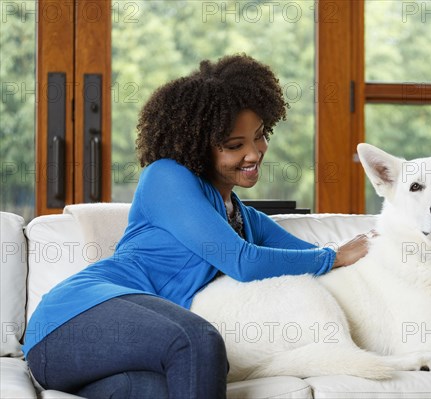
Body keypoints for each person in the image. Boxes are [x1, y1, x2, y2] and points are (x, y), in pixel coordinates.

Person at [23, 54, 371, 398]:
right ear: (196, 144)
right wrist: (331, 256)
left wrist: (377, 246)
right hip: (72, 319)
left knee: (166, 388)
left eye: (260, 135)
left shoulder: (244, 218)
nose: (254, 153)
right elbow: (245, 261)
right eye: (235, 145)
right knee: (197, 341)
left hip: (110, 360)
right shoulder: (166, 176)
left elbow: (314, 258)